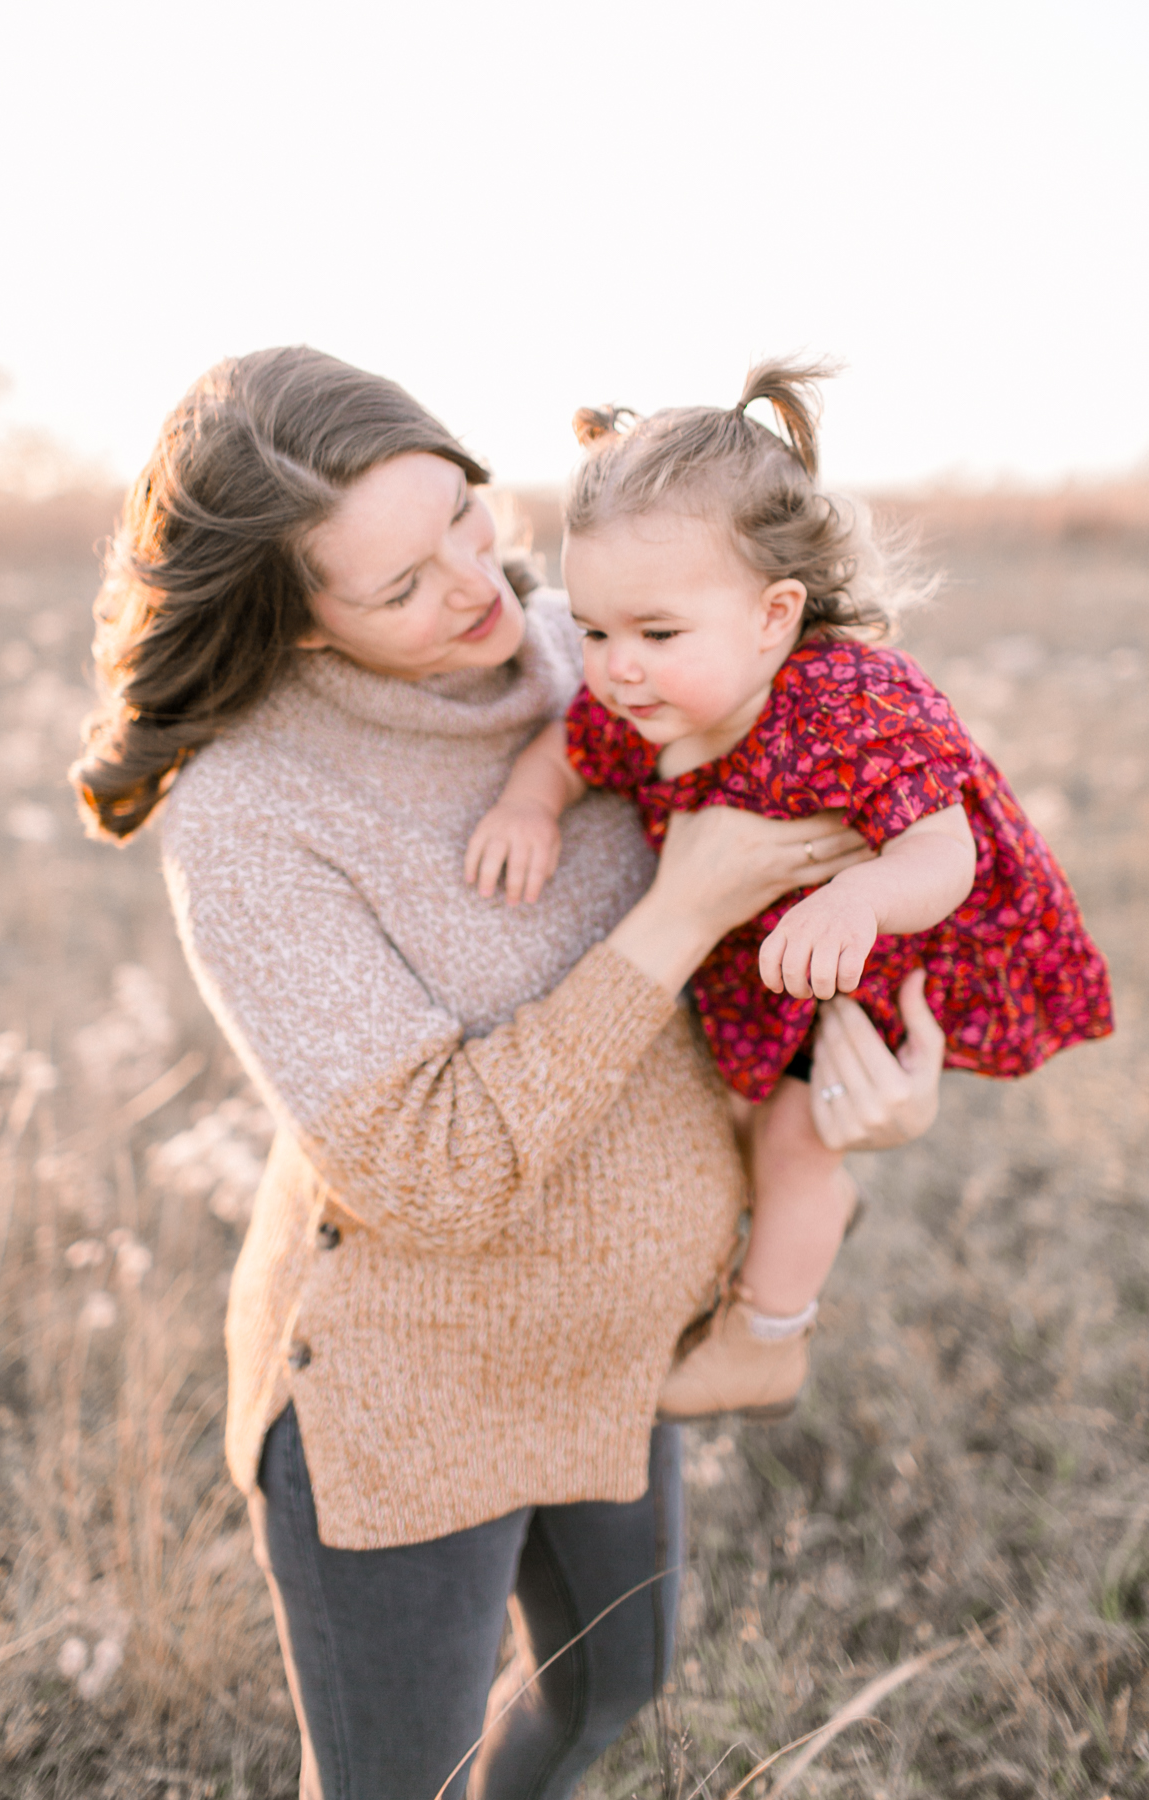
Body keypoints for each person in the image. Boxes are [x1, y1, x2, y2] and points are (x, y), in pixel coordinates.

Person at [70, 348, 945, 1799]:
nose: (482, 586)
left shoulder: (602, 646)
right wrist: (676, 915)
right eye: (402, 586)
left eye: (466, 515)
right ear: (290, 628)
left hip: (621, 1354)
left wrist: (868, 1094)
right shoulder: (249, 815)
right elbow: (426, 1169)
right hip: (403, 1397)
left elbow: (844, 875)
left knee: (613, 1686)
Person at [467, 360, 1112, 1419]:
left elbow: (943, 853)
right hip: (767, 964)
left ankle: (768, 1333)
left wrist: (859, 900)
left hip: (871, 962)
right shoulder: (633, 706)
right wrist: (529, 806)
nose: (617, 668)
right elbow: (564, 752)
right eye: (593, 631)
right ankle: (726, 1274)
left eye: (657, 634)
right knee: (730, 1122)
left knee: (794, 1142)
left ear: (775, 616)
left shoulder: (849, 700)